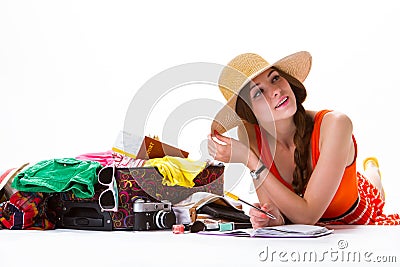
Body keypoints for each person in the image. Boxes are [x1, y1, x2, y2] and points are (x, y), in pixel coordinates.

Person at [208, 51, 400, 227]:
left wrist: (249, 160)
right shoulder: (251, 135)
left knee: (374, 189)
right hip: (313, 227)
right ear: (249, 112)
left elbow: (307, 217)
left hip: (355, 217)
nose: (275, 91)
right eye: (258, 92)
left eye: (275, 78)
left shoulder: (336, 124)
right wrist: (270, 217)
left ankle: (373, 171)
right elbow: (277, 213)